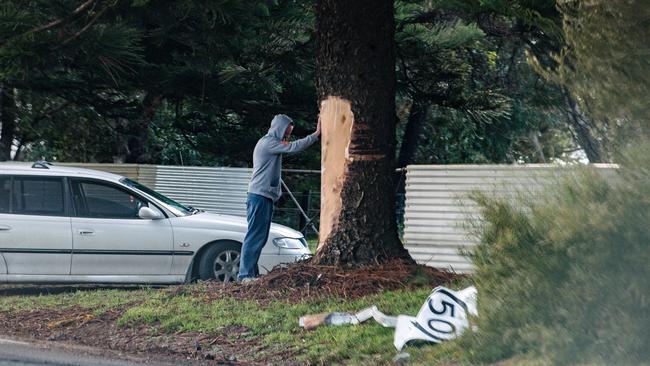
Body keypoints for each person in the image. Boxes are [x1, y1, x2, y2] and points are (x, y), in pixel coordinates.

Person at [237, 114, 320, 282]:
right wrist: (317, 134)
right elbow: (294, 147)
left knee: (260, 236)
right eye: (285, 133)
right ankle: (245, 275)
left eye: (287, 135)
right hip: (259, 196)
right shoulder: (268, 143)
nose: (286, 138)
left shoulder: (270, 142)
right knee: (255, 236)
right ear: (279, 128)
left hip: (263, 196)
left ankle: (251, 274)